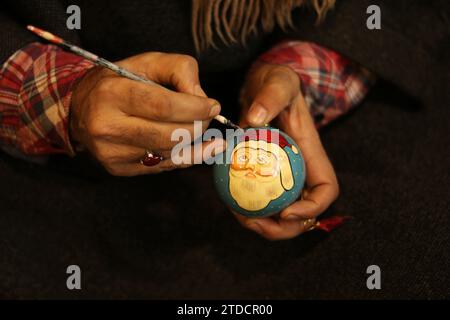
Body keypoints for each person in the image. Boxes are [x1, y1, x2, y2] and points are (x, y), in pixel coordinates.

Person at [0, 0, 374, 240]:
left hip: (325, 113)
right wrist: (70, 96)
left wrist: (294, 68)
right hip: (59, 177)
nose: (257, 168)